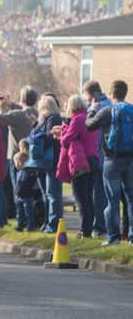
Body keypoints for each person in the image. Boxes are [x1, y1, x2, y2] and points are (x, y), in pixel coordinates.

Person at [86, 80, 133, 245]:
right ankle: (132, 237)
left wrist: (92, 110)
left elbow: (89, 126)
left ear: (111, 94)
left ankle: (113, 237)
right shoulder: (131, 110)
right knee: (131, 199)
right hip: (130, 160)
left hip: (112, 160)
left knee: (112, 200)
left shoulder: (107, 110)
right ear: (125, 93)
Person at [0, 86, 38, 227]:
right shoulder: (37, 112)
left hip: (17, 158)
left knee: (19, 192)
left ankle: (22, 222)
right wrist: (10, 103)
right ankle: (33, 220)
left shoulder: (18, 114)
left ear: (22, 99)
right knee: (32, 192)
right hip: (33, 157)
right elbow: (23, 110)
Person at [54, 95, 99, 239]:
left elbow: (66, 140)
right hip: (93, 159)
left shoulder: (77, 119)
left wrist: (61, 134)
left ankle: (84, 230)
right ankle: (89, 228)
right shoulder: (88, 117)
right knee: (88, 196)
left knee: (81, 197)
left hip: (81, 161)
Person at [82, 80, 111, 237]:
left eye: (85, 94)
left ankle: (100, 227)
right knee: (110, 195)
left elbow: (91, 130)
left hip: (98, 158)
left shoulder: (96, 108)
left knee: (98, 194)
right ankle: (110, 227)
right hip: (110, 157)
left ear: (91, 94)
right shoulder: (110, 105)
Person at [33, 95, 63, 233]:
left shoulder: (53, 119)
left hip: (53, 161)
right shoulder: (48, 119)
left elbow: (50, 138)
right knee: (49, 193)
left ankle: (54, 223)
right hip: (48, 161)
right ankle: (49, 221)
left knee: (53, 194)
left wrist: (38, 135)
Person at [13, 150, 35, 232]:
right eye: (16, 163)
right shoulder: (19, 173)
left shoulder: (28, 172)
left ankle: (30, 226)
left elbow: (28, 184)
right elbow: (18, 185)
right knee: (19, 213)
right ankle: (20, 225)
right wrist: (16, 193)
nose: (17, 165)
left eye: (19, 162)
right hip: (19, 196)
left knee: (28, 212)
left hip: (27, 196)